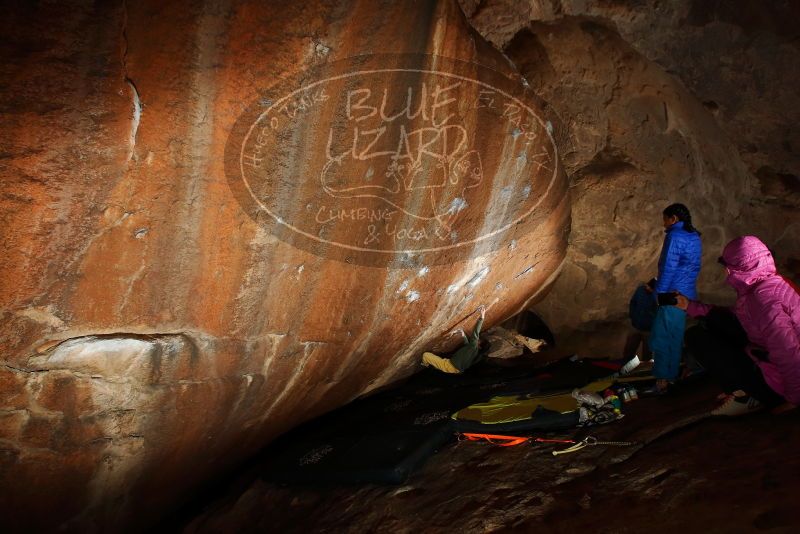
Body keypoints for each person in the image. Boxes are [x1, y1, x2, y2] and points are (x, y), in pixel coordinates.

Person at [677, 236, 800, 416]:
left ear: (735, 269)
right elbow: (739, 317)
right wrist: (690, 306)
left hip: (782, 384)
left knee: (697, 337)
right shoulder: (767, 286)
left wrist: (794, 400)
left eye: (728, 268)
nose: (727, 273)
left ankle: (748, 395)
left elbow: (788, 352)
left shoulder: (763, 300)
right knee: (714, 323)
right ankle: (745, 389)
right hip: (766, 357)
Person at [646, 203, 702, 391]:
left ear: (674, 219)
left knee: (663, 337)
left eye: (665, 219)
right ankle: (670, 375)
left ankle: (663, 379)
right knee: (674, 336)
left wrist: (659, 293)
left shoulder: (675, 236)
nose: (664, 224)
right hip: (685, 293)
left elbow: (669, 267)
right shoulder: (693, 235)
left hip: (671, 294)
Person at [422, 306, 486, 374]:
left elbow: (476, 332)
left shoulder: (474, 346)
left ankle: (425, 365)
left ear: (480, 346)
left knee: (425, 355)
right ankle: (432, 366)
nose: (477, 340)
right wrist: (463, 335)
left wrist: (482, 317)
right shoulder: (474, 351)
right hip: (454, 367)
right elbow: (467, 345)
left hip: (449, 366)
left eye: (479, 341)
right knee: (437, 362)